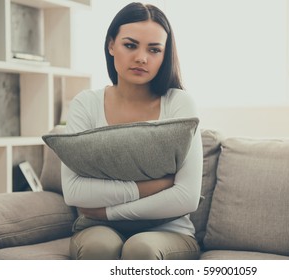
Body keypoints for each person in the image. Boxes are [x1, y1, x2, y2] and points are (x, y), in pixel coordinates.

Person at [61, 2, 203, 260]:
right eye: (130, 45)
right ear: (111, 45)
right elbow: (74, 191)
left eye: (154, 49)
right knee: (99, 247)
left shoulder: (179, 103)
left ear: (164, 55)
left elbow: (186, 197)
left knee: (140, 249)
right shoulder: (86, 103)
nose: (141, 57)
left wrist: (107, 211)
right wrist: (155, 185)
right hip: (96, 228)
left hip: (168, 229)